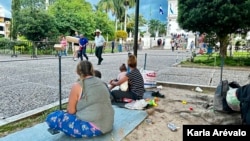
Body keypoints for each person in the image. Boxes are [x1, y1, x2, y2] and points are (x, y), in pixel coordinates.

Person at [46, 60, 114, 138]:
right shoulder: (101, 82)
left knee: (52, 118)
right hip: (108, 123)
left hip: (92, 128)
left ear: (78, 71)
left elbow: (71, 111)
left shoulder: (77, 86)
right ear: (91, 70)